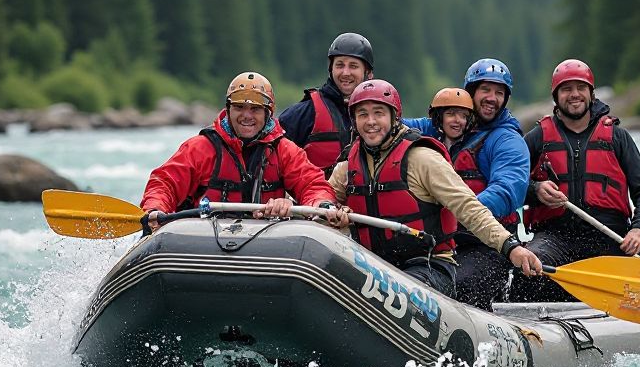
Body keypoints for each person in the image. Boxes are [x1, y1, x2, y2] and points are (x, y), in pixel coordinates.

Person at [324, 79, 541, 299]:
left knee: (393, 289)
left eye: (378, 113)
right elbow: (322, 202)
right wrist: (333, 213)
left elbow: (468, 206)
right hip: (374, 264)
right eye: (363, 114)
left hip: (428, 266)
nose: (371, 122)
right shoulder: (347, 168)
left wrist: (510, 247)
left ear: (394, 117)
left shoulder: (422, 159)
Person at [509, 58, 640, 301]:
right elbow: (510, 184)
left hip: (608, 238)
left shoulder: (617, 138)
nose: (574, 95)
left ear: (591, 93)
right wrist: (535, 189)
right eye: (566, 89)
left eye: (580, 88)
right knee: (527, 270)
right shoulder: (537, 139)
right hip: (554, 238)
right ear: (556, 97)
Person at [404, 60, 530, 309]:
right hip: (439, 245)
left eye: (499, 92)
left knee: (458, 287)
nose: (492, 98)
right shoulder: (443, 126)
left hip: (485, 246)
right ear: (470, 91)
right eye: (485, 90)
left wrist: (457, 213)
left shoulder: (506, 140)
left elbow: (508, 190)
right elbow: (392, 126)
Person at [141, 71, 336, 230]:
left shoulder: (284, 150)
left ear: (268, 113)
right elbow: (165, 183)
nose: (246, 116)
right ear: (228, 109)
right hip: (203, 239)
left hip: (265, 241)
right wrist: (155, 208)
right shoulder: (200, 148)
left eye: (255, 110)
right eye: (239, 108)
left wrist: (320, 204)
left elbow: (313, 184)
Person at [278, 32, 375, 175]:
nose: (345, 72)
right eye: (340, 65)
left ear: (368, 73)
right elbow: (273, 156)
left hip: (361, 196)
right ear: (331, 69)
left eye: (353, 66)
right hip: (317, 195)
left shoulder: (379, 115)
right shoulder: (305, 113)